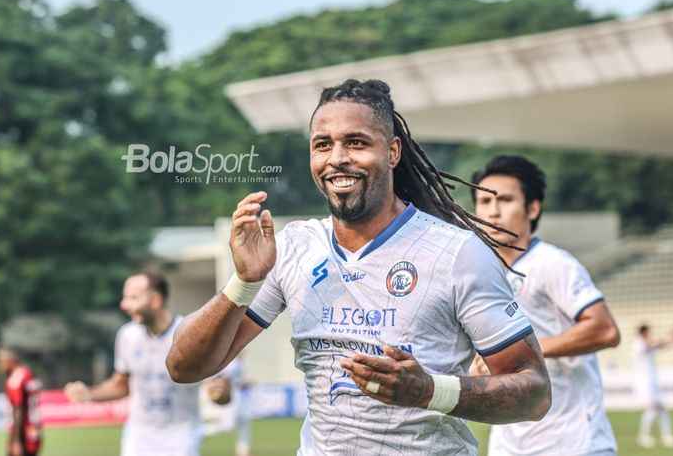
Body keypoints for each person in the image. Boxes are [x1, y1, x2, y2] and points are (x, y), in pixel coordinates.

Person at [167, 79, 551, 455]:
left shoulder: (456, 254)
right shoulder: (293, 248)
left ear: (392, 152)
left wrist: (429, 391)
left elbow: (534, 393)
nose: (337, 158)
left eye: (356, 142)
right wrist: (245, 282)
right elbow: (184, 367)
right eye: (322, 145)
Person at [470, 155, 621, 456]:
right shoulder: (478, 273)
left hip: (574, 443)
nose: (494, 210)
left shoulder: (552, 263)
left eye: (506, 200)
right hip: (510, 445)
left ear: (533, 208)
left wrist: (523, 351)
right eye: (484, 202)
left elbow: (605, 330)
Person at [64, 273, 206, 456]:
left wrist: (219, 392)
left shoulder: (188, 334)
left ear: (155, 300)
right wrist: (89, 393)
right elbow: (121, 385)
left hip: (181, 437)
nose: (124, 305)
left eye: (133, 297)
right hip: (138, 438)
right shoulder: (127, 336)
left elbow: (219, 387)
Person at [633, 324, 673, 449]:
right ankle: (643, 436)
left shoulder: (647, 344)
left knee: (662, 408)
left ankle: (667, 436)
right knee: (653, 408)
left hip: (653, 382)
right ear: (643, 333)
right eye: (648, 333)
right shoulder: (638, 344)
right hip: (645, 383)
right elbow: (653, 345)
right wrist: (670, 336)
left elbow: (661, 346)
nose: (650, 335)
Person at [201, 357, 253, 456]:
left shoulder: (236, 363)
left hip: (231, 396)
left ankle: (243, 451)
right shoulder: (211, 356)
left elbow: (239, 381)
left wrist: (245, 383)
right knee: (227, 425)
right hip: (208, 396)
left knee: (243, 419)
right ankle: (197, 433)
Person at [0, 347, 42, 456]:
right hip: (34, 429)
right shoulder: (27, 373)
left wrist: (16, 440)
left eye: (1, 361)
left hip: (22, 431)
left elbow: (19, 409)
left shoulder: (15, 379)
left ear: (11, 360)